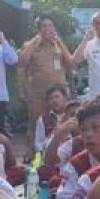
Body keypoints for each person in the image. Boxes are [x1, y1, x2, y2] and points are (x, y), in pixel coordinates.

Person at [50, 97, 100, 199]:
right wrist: (91, 194)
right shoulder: (76, 165)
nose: (88, 134)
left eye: (95, 127)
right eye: (83, 130)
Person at [18, 16, 74, 155]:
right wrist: (22, 90)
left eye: (50, 25)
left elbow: (70, 62)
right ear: (39, 29)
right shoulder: (30, 45)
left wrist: (59, 42)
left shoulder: (58, 45)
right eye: (44, 26)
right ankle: (34, 156)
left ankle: (62, 153)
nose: (47, 29)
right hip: (38, 94)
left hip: (58, 92)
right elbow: (22, 63)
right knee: (36, 124)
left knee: (62, 122)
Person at [32, 83, 71, 157]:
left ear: (65, 98)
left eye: (57, 97)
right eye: (51, 98)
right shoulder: (43, 119)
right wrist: (52, 137)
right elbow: (37, 145)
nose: (54, 100)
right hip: (51, 157)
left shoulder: (73, 116)